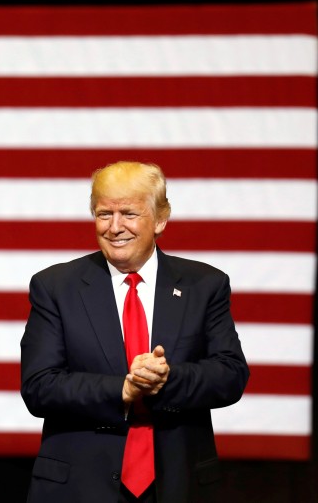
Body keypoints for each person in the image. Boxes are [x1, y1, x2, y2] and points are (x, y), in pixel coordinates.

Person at [20, 161, 250, 503]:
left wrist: (166, 378)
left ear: (160, 219)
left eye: (128, 213)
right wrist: (124, 388)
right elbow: (39, 386)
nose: (114, 227)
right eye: (103, 214)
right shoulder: (55, 287)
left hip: (177, 485)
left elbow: (230, 375)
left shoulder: (205, 285)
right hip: (80, 488)